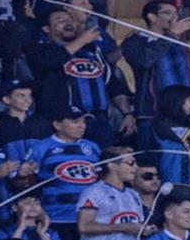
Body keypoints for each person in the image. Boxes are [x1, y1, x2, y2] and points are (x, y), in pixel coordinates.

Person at [29, 9, 125, 149]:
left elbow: (112, 83)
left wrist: (127, 113)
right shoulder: (40, 49)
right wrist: (82, 40)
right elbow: (52, 61)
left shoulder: (92, 51)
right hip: (63, 122)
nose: (68, 23)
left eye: (70, 20)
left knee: (101, 159)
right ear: (46, 29)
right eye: (60, 20)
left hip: (99, 119)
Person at [27, 104, 102, 240]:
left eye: (84, 122)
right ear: (57, 124)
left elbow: (101, 181)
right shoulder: (41, 147)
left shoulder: (93, 147)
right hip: (55, 218)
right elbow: (26, 183)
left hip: (88, 218)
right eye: (75, 121)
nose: (81, 126)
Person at [121, 1, 190, 150]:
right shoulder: (134, 40)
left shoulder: (179, 42)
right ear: (152, 17)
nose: (174, 17)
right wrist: (171, 35)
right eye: (168, 13)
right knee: (152, 156)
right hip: (152, 111)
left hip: (184, 111)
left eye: (176, 13)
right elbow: (143, 62)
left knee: (185, 156)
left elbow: (188, 74)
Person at [77, 148, 145, 240]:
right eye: (131, 163)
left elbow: (138, 224)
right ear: (112, 165)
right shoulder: (94, 192)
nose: (136, 167)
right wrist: (122, 227)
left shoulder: (134, 194)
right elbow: (84, 226)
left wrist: (145, 229)